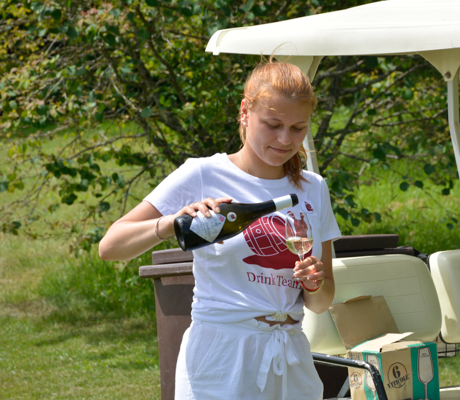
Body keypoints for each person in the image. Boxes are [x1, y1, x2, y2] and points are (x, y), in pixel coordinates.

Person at [98, 58, 341, 400]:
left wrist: (315, 283)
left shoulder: (313, 188)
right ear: (245, 112)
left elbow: (321, 302)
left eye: (298, 128)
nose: (286, 139)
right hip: (221, 359)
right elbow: (110, 246)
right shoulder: (203, 174)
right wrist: (173, 223)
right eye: (273, 124)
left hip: (290, 359)